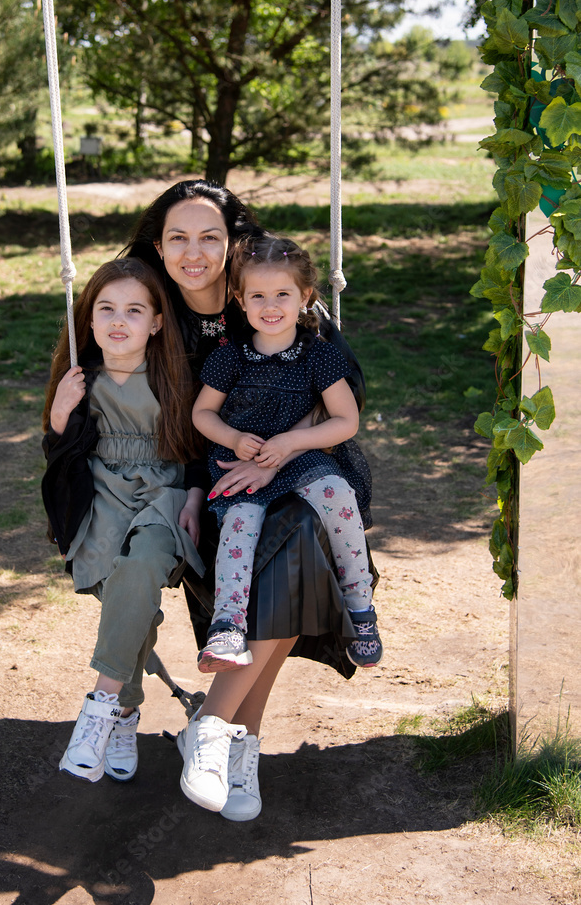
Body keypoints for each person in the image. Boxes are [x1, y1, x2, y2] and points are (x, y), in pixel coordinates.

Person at [120, 180, 379, 822]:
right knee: (278, 565)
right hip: (211, 482)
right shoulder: (152, 314)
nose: (195, 252)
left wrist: (281, 452)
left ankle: (215, 731)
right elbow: (146, 409)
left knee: (299, 545)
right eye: (178, 237)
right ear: (160, 245)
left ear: (234, 244)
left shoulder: (274, 298)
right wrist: (191, 481)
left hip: (300, 469)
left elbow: (345, 397)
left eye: (211, 236)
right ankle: (238, 742)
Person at [41, 258, 205, 784]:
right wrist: (60, 417)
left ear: (157, 322)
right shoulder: (80, 380)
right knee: (124, 598)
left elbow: (202, 448)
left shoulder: (174, 377)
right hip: (102, 495)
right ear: (88, 320)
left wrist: (195, 497)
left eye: (135, 310)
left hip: (163, 495)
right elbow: (60, 457)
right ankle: (127, 714)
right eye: (106, 309)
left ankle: (101, 707)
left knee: (142, 569)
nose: (118, 320)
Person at [192, 232, 380, 674]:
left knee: (336, 493)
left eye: (282, 294)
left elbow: (345, 421)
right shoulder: (229, 358)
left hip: (299, 459)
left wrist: (290, 443)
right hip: (242, 461)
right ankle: (228, 625)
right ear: (240, 300)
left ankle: (360, 606)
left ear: (306, 297)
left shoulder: (320, 357)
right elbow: (202, 414)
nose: (270, 306)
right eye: (257, 295)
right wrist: (236, 438)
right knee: (240, 523)